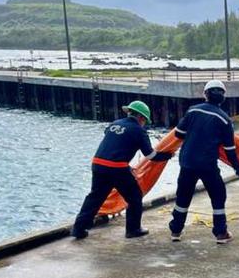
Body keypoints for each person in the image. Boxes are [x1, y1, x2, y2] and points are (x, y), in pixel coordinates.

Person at [71, 100, 171, 239]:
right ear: (141, 118)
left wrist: (126, 165)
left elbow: (115, 145)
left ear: (129, 112)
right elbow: (150, 155)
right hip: (116, 169)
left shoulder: (114, 124)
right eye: (145, 121)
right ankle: (133, 229)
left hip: (98, 164)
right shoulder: (139, 130)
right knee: (135, 197)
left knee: (95, 197)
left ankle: (78, 229)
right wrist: (167, 154)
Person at [168, 79, 239, 243]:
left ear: (205, 95)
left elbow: (178, 134)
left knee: (183, 196)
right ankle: (220, 233)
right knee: (218, 196)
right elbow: (230, 149)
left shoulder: (192, 111)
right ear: (223, 97)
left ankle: (175, 231)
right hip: (207, 165)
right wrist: (238, 168)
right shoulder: (224, 120)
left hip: (187, 162)